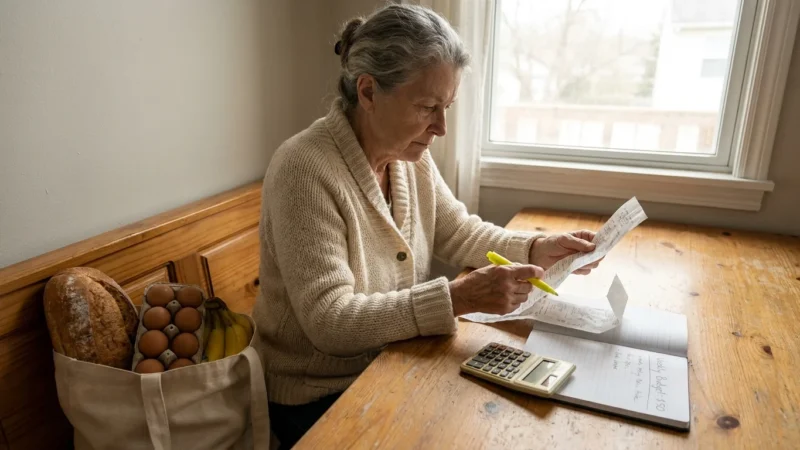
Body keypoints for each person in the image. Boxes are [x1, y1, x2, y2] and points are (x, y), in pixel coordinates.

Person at [251, 4, 600, 447]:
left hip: (393, 361)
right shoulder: (304, 169)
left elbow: (458, 230)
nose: (441, 127)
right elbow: (331, 322)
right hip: (314, 395)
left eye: (447, 106)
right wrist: (455, 298)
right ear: (368, 91)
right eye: (427, 107)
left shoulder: (406, 154)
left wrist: (537, 249)